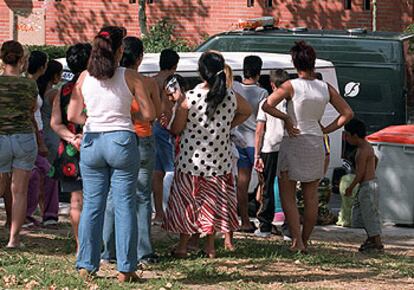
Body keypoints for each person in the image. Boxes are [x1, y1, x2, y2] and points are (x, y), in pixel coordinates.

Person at [67, 26, 155, 282]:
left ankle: (86, 264)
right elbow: (148, 114)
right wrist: (127, 115)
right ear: (119, 51)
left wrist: (93, 119)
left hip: (93, 141)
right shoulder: (131, 77)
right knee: (125, 204)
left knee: (92, 205)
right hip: (122, 141)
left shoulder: (84, 77)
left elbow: (72, 115)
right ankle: (126, 268)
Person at [262, 41, 353, 252]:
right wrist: (326, 130)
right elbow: (347, 113)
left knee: (288, 195)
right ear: (313, 62)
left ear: (295, 63)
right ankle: (305, 239)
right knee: (311, 196)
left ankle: (296, 241)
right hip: (315, 141)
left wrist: (285, 117)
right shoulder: (325, 87)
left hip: (293, 140)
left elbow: (266, 105)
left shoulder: (291, 85)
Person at [162, 51, 252, 258]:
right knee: (213, 203)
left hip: (190, 161)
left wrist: (176, 103)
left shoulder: (190, 98)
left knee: (188, 204)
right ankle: (210, 247)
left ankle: (183, 246)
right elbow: (247, 110)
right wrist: (227, 125)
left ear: (201, 72)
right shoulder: (230, 95)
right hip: (219, 160)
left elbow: (176, 129)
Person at [102, 36, 162, 266]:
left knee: (112, 194)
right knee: (141, 196)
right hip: (143, 138)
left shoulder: (108, 80)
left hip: (116, 138)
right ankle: (143, 252)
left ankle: (108, 251)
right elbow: (155, 112)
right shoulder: (146, 82)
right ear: (140, 57)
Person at [51, 43, 92, 251]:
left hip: (69, 151)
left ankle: (80, 245)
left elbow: (55, 123)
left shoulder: (64, 90)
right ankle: (97, 245)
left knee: (76, 202)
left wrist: (71, 138)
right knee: (97, 200)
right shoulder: (94, 87)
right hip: (94, 146)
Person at [0, 40, 38, 248]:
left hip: (0, 138)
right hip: (23, 137)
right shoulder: (29, 84)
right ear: (21, 59)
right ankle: (14, 239)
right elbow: (32, 109)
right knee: (19, 191)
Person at [233, 55, 268, 232]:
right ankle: (263, 220)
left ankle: (244, 220)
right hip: (256, 142)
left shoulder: (235, 87)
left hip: (239, 139)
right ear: (259, 72)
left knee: (242, 182)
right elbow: (263, 121)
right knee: (263, 182)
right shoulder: (262, 93)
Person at [25, 58, 62, 227]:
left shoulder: (34, 87)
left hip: (38, 134)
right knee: (47, 173)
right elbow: (31, 116)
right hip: (38, 136)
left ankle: (40, 213)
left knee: (39, 175)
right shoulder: (32, 87)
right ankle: (44, 214)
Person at [254, 69, 289, 238]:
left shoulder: (266, 102)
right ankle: (289, 228)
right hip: (287, 147)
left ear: (272, 85)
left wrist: (257, 154)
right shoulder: (292, 103)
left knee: (266, 187)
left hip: (269, 147)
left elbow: (259, 131)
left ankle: (265, 226)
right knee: (288, 188)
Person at [344, 118, 383, 252]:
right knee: (364, 214)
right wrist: (371, 172)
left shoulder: (361, 151)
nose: (346, 138)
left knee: (369, 215)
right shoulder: (368, 147)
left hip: (367, 185)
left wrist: (351, 187)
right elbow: (375, 159)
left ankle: (377, 243)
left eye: (347, 135)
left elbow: (359, 173)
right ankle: (371, 239)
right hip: (371, 183)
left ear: (354, 135)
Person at [152, 49, 180, 224]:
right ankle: (172, 211)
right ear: (174, 65)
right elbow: (173, 104)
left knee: (157, 172)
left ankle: (159, 213)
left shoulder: (151, 80)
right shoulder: (171, 81)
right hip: (166, 128)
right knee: (173, 171)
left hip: (151, 126)